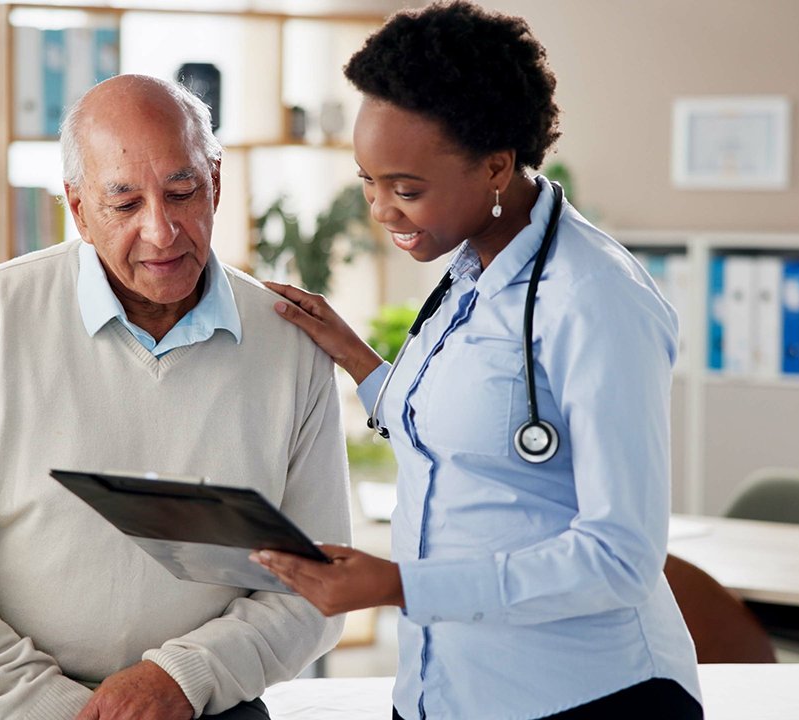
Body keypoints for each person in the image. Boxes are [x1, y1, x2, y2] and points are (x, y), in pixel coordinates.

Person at [254, 3, 703, 719]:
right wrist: (357, 359)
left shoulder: (594, 298)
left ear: (496, 164)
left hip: (583, 697)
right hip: (445, 692)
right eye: (368, 181)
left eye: (406, 189)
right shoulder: (472, 269)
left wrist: (403, 586)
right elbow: (464, 439)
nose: (380, 210)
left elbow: (621, 557)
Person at [0, 75, 351, 720]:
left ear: (217, 183)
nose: (162, 231)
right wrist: (56, 707)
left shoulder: (289, 344)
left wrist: (181, 677)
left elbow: (313, 585)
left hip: (187, 695)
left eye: (182, 192)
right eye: (124, 204)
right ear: (79, 208)